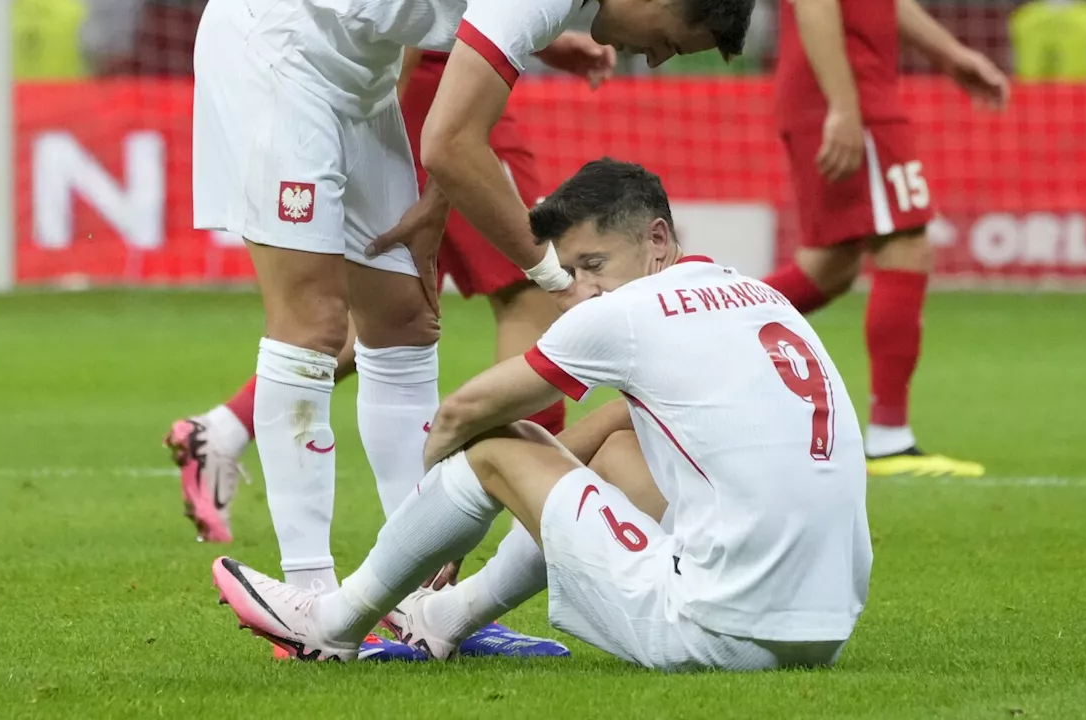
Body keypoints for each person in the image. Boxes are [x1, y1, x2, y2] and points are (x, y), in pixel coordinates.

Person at [207, 159, 872, 671]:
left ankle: (333, 622)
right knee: (611, 456)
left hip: (717, 632)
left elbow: (462, 414)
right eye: (567, 272)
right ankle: (441, 620)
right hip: (823, 631)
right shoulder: (753, 291)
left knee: (496, 445)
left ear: (658, 240)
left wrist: (445, 521)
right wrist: (545, 473)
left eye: (593, 265)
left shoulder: (625, 314)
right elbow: (616, 425)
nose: (578, 292)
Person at [166, 41, 596, 660]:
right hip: (298, 63)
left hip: (384, 87)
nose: (657, 57)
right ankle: (311, 608)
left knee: (404, 314)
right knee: (318, 315)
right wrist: (558, 277)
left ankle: (418, 601)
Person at [761, 0, 1008, 478]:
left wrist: (951, 53)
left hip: (841, 91)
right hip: (847, 93)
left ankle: (700, 321)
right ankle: (890, 438)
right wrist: (845, 106)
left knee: (829, 267)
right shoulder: (846, 97)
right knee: (905, 245)